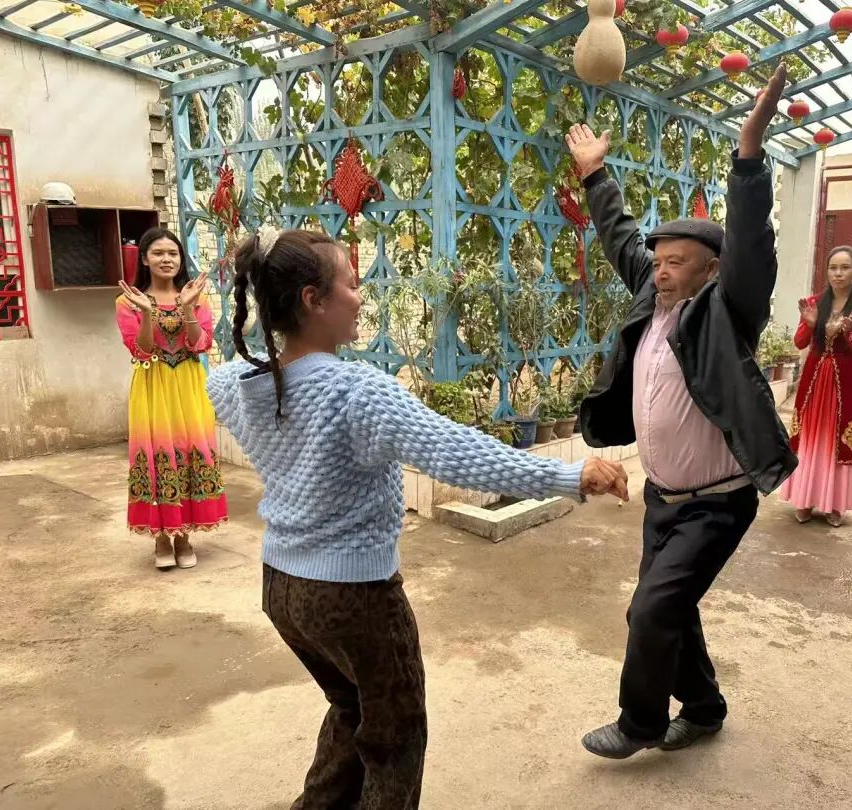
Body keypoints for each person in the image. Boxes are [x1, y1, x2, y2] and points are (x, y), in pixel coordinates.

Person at [205, 226, 629, 809]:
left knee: (351, 708)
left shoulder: (242, 385)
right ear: (313, 300)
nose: (361, 297)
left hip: (282, 588)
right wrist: (568, 476)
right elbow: (455, 450)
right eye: (351, 284)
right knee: (395, 737)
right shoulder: (355, 391)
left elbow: (217, 376)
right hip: (354, 596)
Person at [565, 65, 796, 760]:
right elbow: (619, 236)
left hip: (717, 503)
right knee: (671, 608)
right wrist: (594, 176)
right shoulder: (652, 292)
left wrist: (749, 154)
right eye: (658, 260)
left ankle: (639, 724)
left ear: (709, 269)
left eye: (676, 262)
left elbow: (751, 245)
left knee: (650, 609)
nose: (660, 270)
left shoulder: (730, 310)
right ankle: (703, 709)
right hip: (661, 499)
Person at [116, 228, 227, 570]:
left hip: (189, 386)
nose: (166, 259)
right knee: (157, 454)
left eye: (173, 253)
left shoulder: (196, 296)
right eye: (158, 253)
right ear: (144, 259)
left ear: (180, 259)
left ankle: (184, 536)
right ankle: (161, 537)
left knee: (191, 452)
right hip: (153, 387)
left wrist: (189, 307)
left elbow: (200, 344)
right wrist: (147, 312)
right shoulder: (127, 302)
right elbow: (142, 350)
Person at [780, 245, 852, 527]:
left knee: (839, 438)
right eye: (833, 268)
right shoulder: (814, 302)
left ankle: (835, 503)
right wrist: (811, 324)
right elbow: (800, 342)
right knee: (810, 436)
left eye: (845, 268)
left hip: (847, 379)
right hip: (815, 378)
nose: (838, 273)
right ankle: (805, 498)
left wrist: (850, 332)